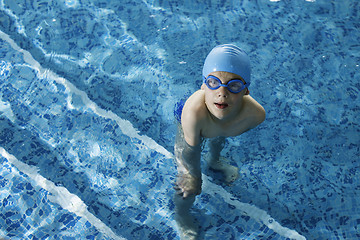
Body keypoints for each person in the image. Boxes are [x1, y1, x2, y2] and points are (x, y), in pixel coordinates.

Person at [173, 44, 266, 239]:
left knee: (219, 135)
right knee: (187, 186)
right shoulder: (193, 114)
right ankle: (182, 216)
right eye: (214, 83)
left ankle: (214, 161)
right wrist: (193, 176)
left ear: (245, 91)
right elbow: (190, 151)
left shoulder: (255, 115)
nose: (222, 93)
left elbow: (224, 132)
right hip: (191, 124)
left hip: (221, 119)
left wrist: (221, 128)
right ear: (203, 85)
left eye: (233, 86)